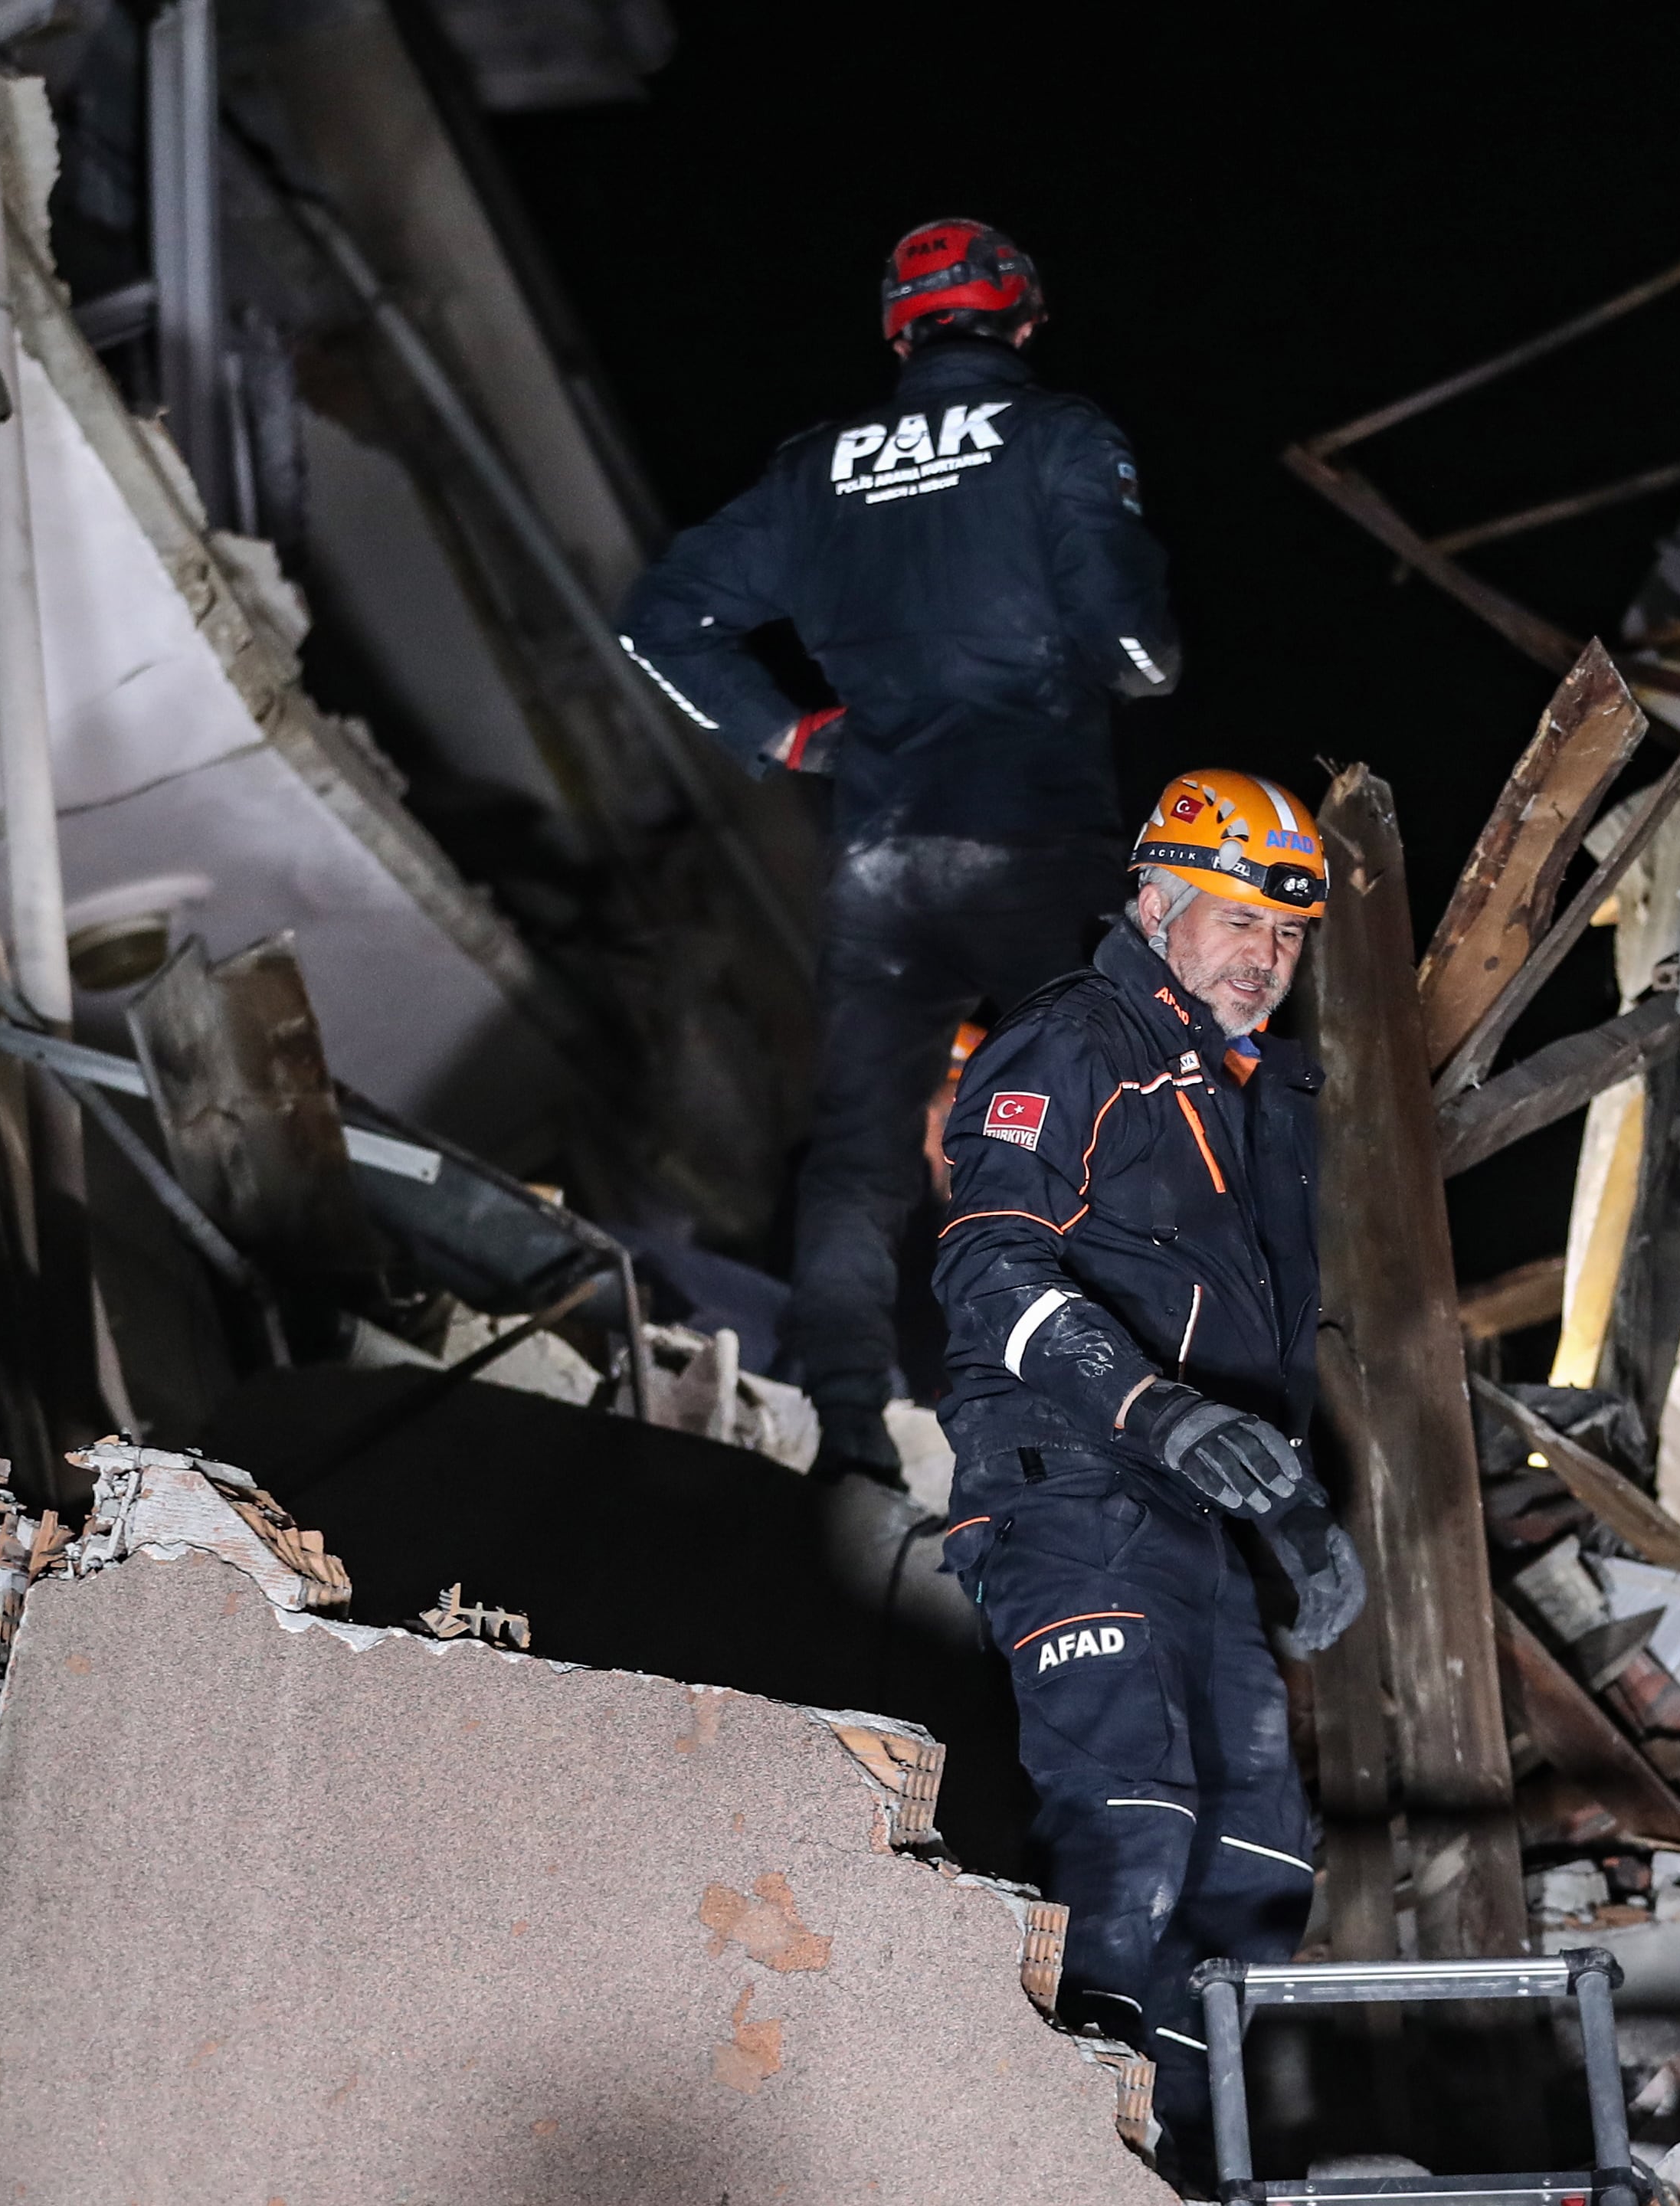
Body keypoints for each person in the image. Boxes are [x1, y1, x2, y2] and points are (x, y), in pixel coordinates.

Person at [613, 217, 1179, 1483]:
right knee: (1123, 1118)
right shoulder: (1057, 435)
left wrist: (790, 734)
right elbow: (1138, 647)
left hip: (881, 862)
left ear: (902, 328)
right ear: (1022, 318)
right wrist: (1132, 662)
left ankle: (853, 1433)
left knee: (863, 1156)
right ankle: (1126, 1406)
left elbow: (658, 619)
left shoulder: (817, 470)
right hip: (1033, 839)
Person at [929, 768, 1362, 2162]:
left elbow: (1257, 1363)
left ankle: (1174, 2171)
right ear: (1156, 902)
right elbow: (987, 1265)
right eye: (1241, 921)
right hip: (1069, 1483)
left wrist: (1293, 1517)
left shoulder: (1253, 1102)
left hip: (1195, 1525)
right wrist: (1155, 1413)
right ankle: (1047, 2169)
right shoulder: (1077, 1044)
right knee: (1131, 1829)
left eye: (1288, 939)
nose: (1265, 959)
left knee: (1261, 1866)